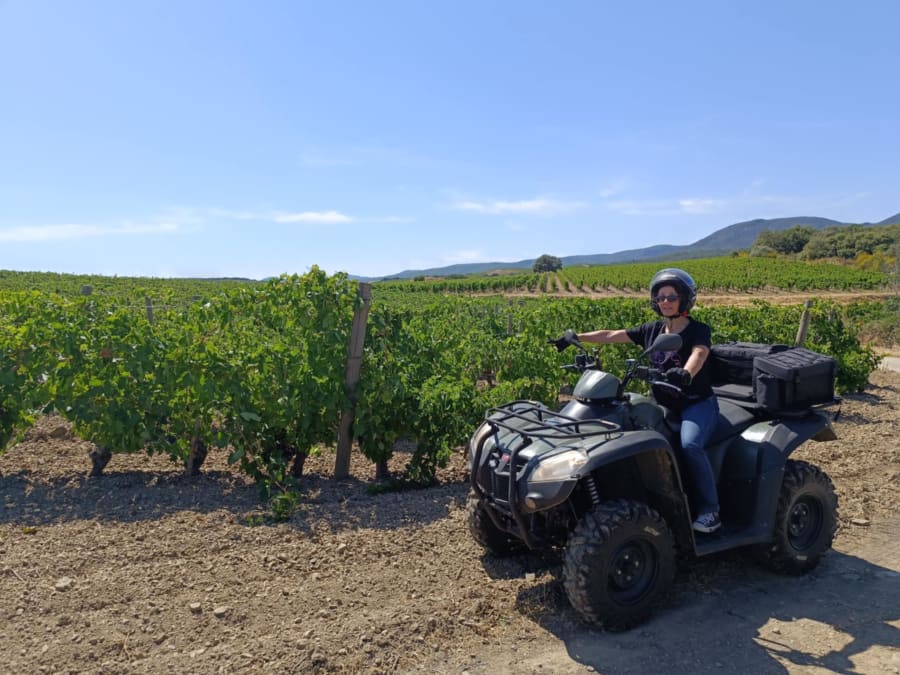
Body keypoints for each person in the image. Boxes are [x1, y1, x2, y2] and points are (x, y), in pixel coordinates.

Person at [576, 268, 721, 533]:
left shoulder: (698, 330)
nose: (665, 302)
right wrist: (577, 337)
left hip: (695, 404)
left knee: (690, 445)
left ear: (685, 299)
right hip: (662, 404)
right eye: (660, 297)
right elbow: (611, 335)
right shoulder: (652, 330)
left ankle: (710, 511)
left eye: (671, 297)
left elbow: (699, 353)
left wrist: (686, 373)